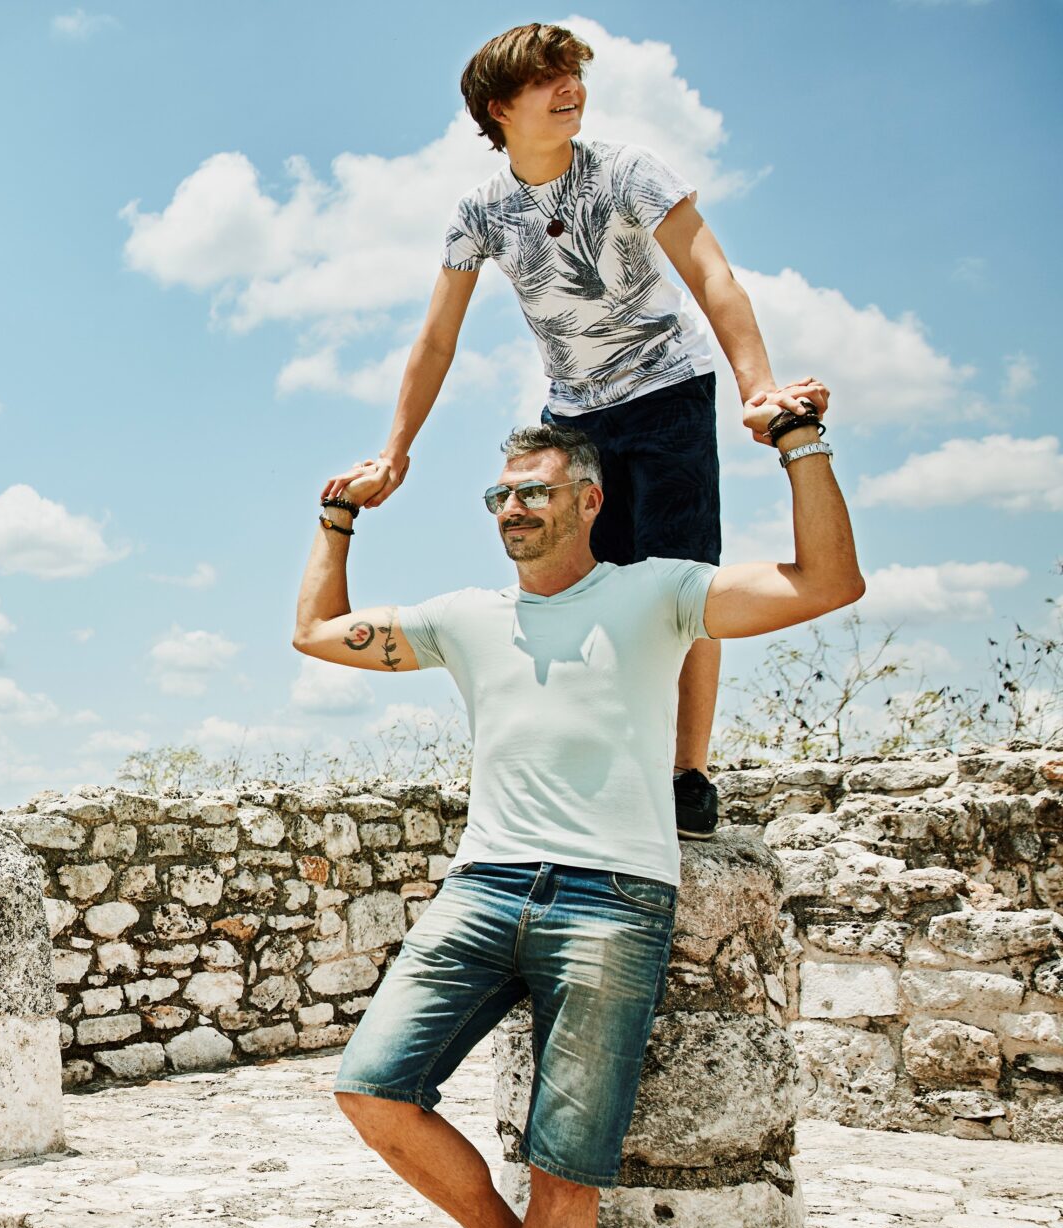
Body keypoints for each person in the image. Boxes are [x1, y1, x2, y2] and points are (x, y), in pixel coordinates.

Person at [295, 415, 860, 1228]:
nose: (511, 508)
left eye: (533, 491)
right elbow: (316, 633)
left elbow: (825, 584)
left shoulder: (658, 593)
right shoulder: (466, 616)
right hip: (483, 887)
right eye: (499, 494)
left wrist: (800, 447)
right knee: (370, 1088)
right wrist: (336, 518)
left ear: (588, 501)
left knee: (568, 1164)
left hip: (612, 897)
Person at [325, 21, 829, 840]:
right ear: (500, 109)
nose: (571, 89)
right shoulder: (481, 212)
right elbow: (437, 338)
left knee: (685, 585)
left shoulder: (626, 170)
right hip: (575, 413)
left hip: (668, 394)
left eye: (573, 74)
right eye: (547, 80)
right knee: (577, 586)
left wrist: (758, 387)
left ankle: (686, 775)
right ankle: (602, 755)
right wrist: (394, 451)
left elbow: (710, 273)